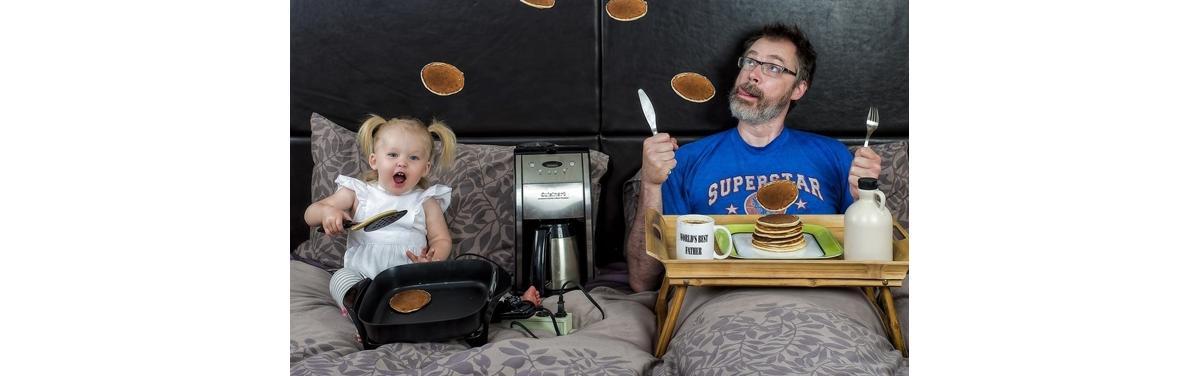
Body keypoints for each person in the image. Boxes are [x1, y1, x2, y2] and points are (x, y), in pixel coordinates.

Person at [626, 23, 884, 292]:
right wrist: (651, 184)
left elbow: (871, 271)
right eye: (750, 61)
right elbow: (643, 280)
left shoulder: (835, 157)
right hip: (720, 305)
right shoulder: (687, 160)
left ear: (798, 88)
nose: (753, 74)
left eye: (773, 67)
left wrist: (864, 198)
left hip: (820, 303)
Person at [304, 115, 457, 312]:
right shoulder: (358, 192)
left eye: (413, 157)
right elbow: (310, 214)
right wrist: (327, 212)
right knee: (340, 279)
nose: (402, 163)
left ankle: (395, 314)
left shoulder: (426, 201)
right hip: (363, 279)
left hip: (407, 279)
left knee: (434, 287)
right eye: (393, 155)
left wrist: (431, 262)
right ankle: (364, 314)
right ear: (374, 161)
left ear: (425, 168)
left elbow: (441, 239)